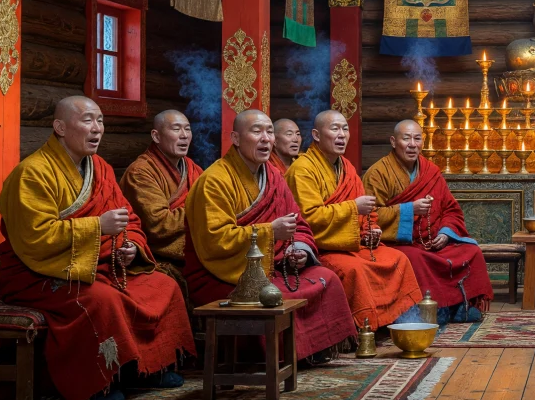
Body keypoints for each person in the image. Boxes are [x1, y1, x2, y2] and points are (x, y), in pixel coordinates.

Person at [0, 97, 194, 400]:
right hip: (40, 272)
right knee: (102, 300)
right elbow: (34, 238)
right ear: (60, 127)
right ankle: (99, 380)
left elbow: (128, 218)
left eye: (100, 121)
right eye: (88, 120)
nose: (97, 128)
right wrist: (97, 227)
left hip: (98, 264)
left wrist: (129, 246)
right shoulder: (32, 173)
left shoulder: (99, 168)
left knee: (163, 285)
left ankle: (149, 367)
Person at [185, 110, 355, 364]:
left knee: (326, 278)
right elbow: (215, 241)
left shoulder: (273, 177)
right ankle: (276, 356)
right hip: (223, 272)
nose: (266, 139)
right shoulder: (213, 181)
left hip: (272, 265)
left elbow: (298, 223)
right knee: (271, 297)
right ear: (236, 138)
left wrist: (297, 249)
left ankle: (312, 349)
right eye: (256, 131)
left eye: (269, 132)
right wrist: (269, 232)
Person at [286, 110, 424, 331]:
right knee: (355, 271)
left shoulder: (347, 168)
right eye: (335, 129)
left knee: (398, 259)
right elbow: (308, 217)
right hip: (324, 248)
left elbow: (368, 213)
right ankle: (364, 329)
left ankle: (398, 323)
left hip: (352, 244)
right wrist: (353, 208)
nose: (342, 135)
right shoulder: (302, 170)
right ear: (316, 135)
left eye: (345, 129)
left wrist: (372, 230)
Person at [363, 120, 493, 323]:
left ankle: (460, 304)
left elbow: (450, 208)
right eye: (406, 138)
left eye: (417, 138)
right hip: (398, 242)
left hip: (433, 239)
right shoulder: (378, 173)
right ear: (393, 141)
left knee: (472, 251)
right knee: (415, 258)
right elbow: (369, 217)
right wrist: (408, 210)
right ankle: (433, 310)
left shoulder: (430, 171)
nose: (412, 144)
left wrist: (445, 233)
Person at [119, 110, 202, 299]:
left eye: (187, 129)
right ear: (156, 136)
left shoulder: (191, 168)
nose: (184, 135)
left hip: (194, 254)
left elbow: (212, 201)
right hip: (158, 258)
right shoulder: (141, 173)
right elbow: (159, 224)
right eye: (176, 129)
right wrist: (204, 210)